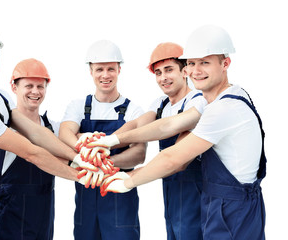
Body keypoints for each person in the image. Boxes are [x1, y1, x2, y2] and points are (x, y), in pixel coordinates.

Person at [95, 25, 267, 239]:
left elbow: (173, 158)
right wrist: (111, 140)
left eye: (205, 62)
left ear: (225, 63)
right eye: (192, 63)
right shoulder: (221, 99)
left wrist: (128, 180)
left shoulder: (222, 108)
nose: (196, 70)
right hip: (221, 203)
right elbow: (162, 125)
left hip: (230, 209)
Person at [0, 22, 95, 240]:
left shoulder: (1, 96)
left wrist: (77, 157)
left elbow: (35, 131)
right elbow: (31, 152)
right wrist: (81, 176)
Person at [109, 42, 206, 240]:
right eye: (158, 73)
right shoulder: (160, 105)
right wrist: (103, 142)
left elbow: (177, 159)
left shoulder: (197, 101)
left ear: (185, 70)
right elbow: (137, 126)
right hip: (170, 189)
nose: (163, 78)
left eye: (169, 70)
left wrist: (132, 177)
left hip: (195, 190)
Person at [59, 40, 146, 240]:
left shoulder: (134, 110)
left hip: (120, 199)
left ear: (119, 70)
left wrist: (102, 164)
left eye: (110, 69)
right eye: (99, 69)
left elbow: (139, 154)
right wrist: (82, 142)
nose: (105, 75)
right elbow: (65, 134)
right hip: (85, 201)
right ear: (91, 71)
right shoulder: (78, 106)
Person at [0, 58, 57, 239]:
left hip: (43, 218)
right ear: (14, 87)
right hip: (9, 217)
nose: (35, 92)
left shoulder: (53, 128)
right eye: (28, 86)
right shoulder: (3, 130)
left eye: (40, 86)